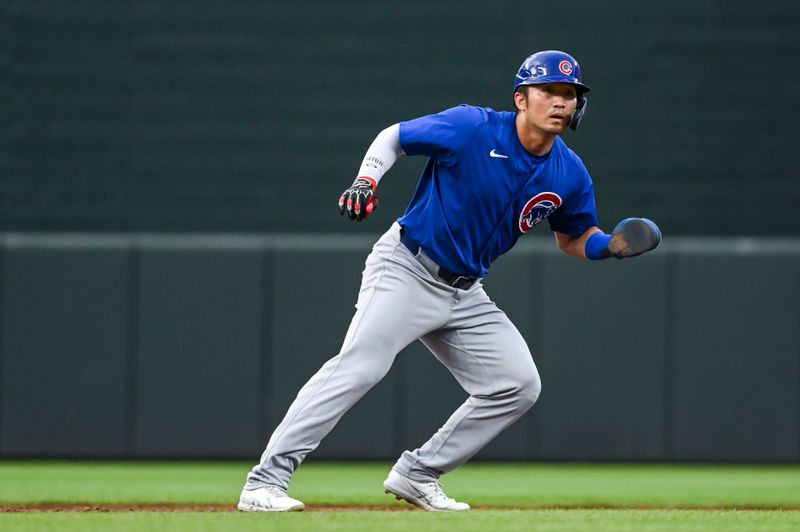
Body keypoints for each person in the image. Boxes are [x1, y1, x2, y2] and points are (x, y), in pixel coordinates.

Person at [237, 50, 661, 512]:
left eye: (570, 94)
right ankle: (265, 482)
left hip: (465, 291)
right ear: (521, 99)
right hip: (408, 266)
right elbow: (394, 136)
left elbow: (574, 237)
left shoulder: (570, 172)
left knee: (517, 384)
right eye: (549, 91)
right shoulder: (473, 127)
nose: (561, 102)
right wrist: (366, 179)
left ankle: (418, 474)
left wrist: (609, 247)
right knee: (360, 366)